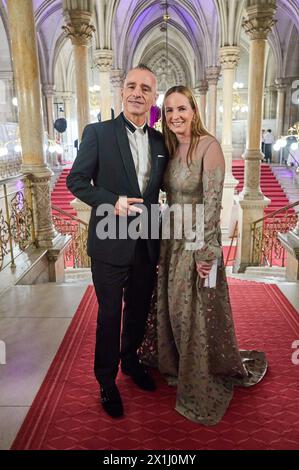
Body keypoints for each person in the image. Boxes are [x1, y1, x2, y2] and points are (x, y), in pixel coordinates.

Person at [156, 85, 267, 425]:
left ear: (194, 110)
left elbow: (213, 203)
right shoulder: (170, 147)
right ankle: (176, 364)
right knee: (175, 308)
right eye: (170, 110)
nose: (176, 116)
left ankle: (203, 373)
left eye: (182, 109)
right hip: (171, 240)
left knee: (196, 312)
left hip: (199, 242)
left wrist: (207, 253)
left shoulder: (210, 146)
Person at [66, 64, 168, 418]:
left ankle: (131, 362)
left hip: (145, 243)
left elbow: (161, 190)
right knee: (110, 314)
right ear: (122, 91)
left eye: (145, 88)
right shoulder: (98, 133)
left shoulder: (160, 141)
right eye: (131, 86)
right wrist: (113, 201)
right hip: (109, 242)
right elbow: (76, 182)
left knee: (138, 309)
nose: (137, 93)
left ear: (154, 98)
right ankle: (106, 382)